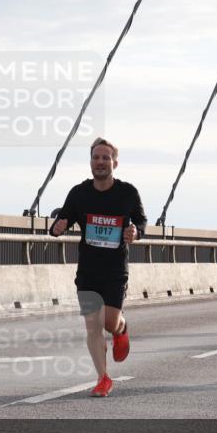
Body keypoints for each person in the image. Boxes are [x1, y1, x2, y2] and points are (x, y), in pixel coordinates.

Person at [50, 137, 147, 397]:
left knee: (109, 322)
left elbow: (141, 222)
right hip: (88, 271)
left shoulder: (127, 193)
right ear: (90, 162)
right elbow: (63, 219)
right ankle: (103, 378)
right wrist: (57, 228)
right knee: (93, 326)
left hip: (115, 270)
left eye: (106, 158)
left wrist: (136, 232)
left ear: (115, 162)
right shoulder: (79, 193)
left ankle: (121, 329)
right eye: (96, 157)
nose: (100, 162)